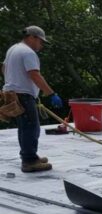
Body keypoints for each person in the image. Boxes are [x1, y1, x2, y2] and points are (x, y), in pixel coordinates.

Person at [2, 26, 63, 172]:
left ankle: (29, 156)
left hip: (13, 93)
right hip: (23, 95)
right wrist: (51, 93)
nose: (41, 46)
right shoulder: (28, 53)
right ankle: (29, 161)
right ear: (32, 37)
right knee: (31, 128)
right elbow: (34, 75)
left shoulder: (14, 49)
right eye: (41, 42)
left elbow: (3, 68)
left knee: (24, 128)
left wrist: (11, 82)